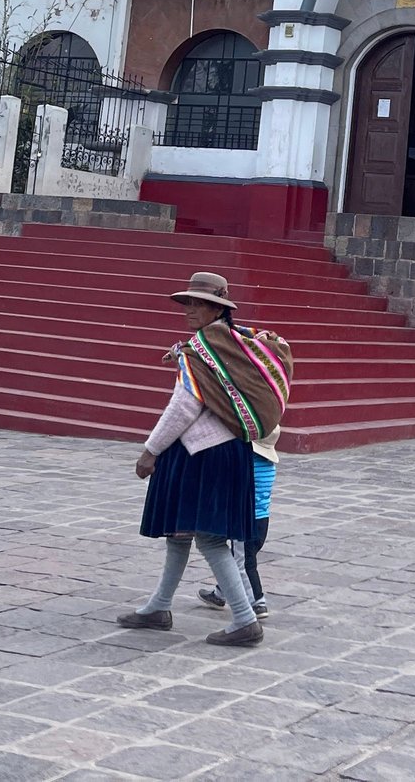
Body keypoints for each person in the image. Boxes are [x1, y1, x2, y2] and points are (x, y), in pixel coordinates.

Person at [117, 272, 291, 647]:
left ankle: (245, 619)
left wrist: (150, 450)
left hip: (203, 455)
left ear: (217, 308)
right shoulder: (232, 346)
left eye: (198, 303)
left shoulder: (202, 350)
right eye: (188, 303)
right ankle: (158, 607)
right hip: (226, 453)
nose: (189, 310)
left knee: (210, 539)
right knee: (179, 534)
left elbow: (184, 406)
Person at [201, 427, 276, 618]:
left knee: (244, 563)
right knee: (236, 559)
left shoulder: (248, 463)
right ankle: (220, 593)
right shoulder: (268, 466)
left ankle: (257, 601)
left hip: (246, 520)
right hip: (262, 520)